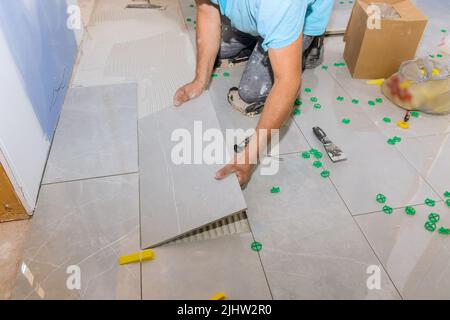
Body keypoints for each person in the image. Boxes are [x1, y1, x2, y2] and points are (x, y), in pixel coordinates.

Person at [173, 0, 334, 185]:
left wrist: (249, 157)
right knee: (222, 48)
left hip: (291, 15)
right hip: (262, 10)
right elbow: (207, 9)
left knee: (250, 92)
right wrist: (199, 81)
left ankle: (308, 42)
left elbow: (288, 83)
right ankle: (261, 29)